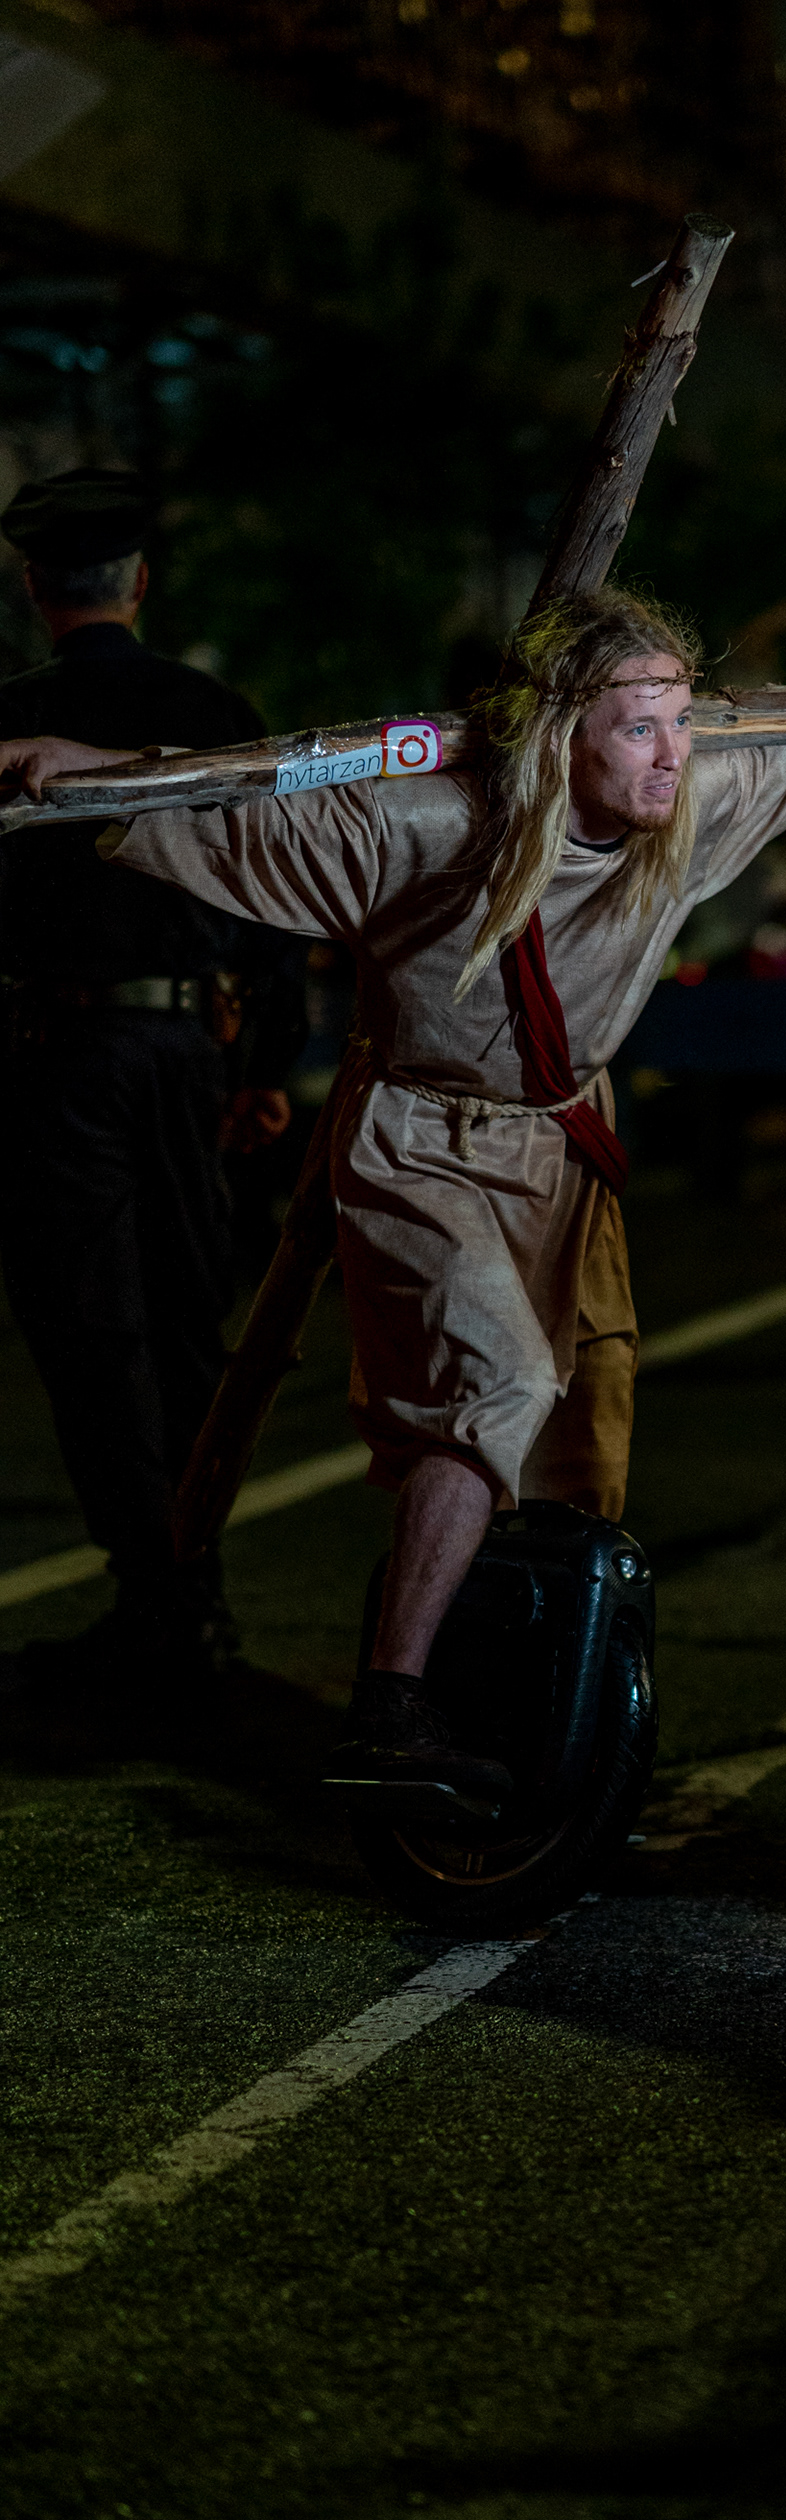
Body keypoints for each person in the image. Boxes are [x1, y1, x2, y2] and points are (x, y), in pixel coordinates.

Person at [0, 586, 786, 1798]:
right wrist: (78, 768)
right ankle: (386, 1705)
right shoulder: (418, 824)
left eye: (678, 718)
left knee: (568, 1446)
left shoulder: (696, 801)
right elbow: (223, 807)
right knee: (498, 1379)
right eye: (637, 725)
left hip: (560, 1148)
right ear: (562, 738)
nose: (670, 749)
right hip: (420, 1140)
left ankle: (522, 1712)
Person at [0, 466, 306, 1693]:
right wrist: (265, 1060)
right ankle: (196, 1592)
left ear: (36, 588)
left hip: (51, 1055)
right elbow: (278, 895)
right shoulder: (214, 710)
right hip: (188, 1050)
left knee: (88, 1330)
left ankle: (154, 1596)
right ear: (139, 582)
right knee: (187, 1323)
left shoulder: (7, 715)